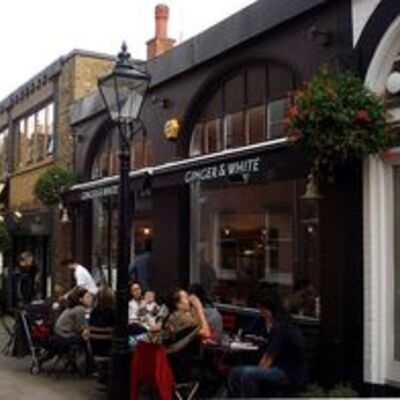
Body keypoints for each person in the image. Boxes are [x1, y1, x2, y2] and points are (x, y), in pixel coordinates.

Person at [227, 294, 307, 398]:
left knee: (242, 373)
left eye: (262, 309)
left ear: (268, 311)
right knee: (236, 372)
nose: (260, 313)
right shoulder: (284, 324)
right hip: (288, 370)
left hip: (287, 372)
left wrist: (258, 372)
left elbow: (268, 358)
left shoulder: (279, 328)